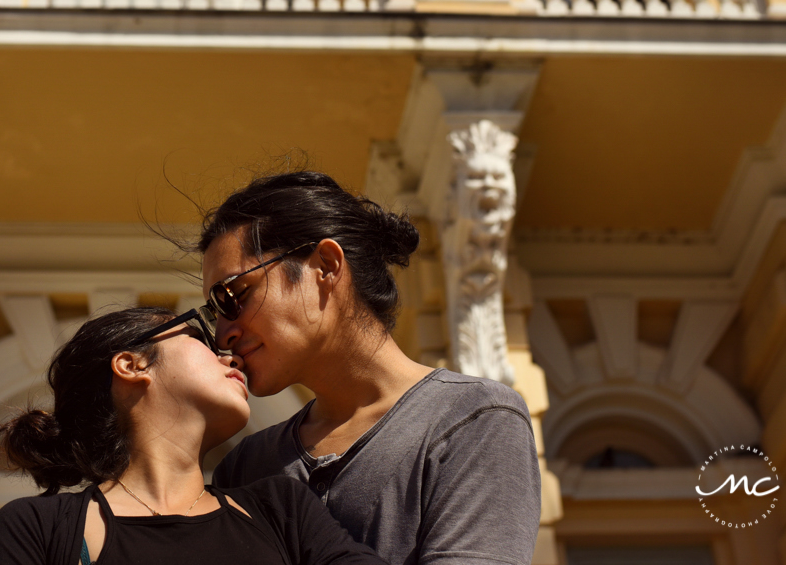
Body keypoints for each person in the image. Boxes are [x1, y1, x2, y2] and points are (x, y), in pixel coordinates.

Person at [203, 171, 540, 565]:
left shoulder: (472, 419)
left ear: (326, 267)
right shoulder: (246, 465)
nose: (223, 334)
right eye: (214, 314)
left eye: (233, 296)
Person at [0, 305, 389, 565]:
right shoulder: (37, 528)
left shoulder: (283, 510)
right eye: (197, 337)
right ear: (132, 364)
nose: (230, 355)